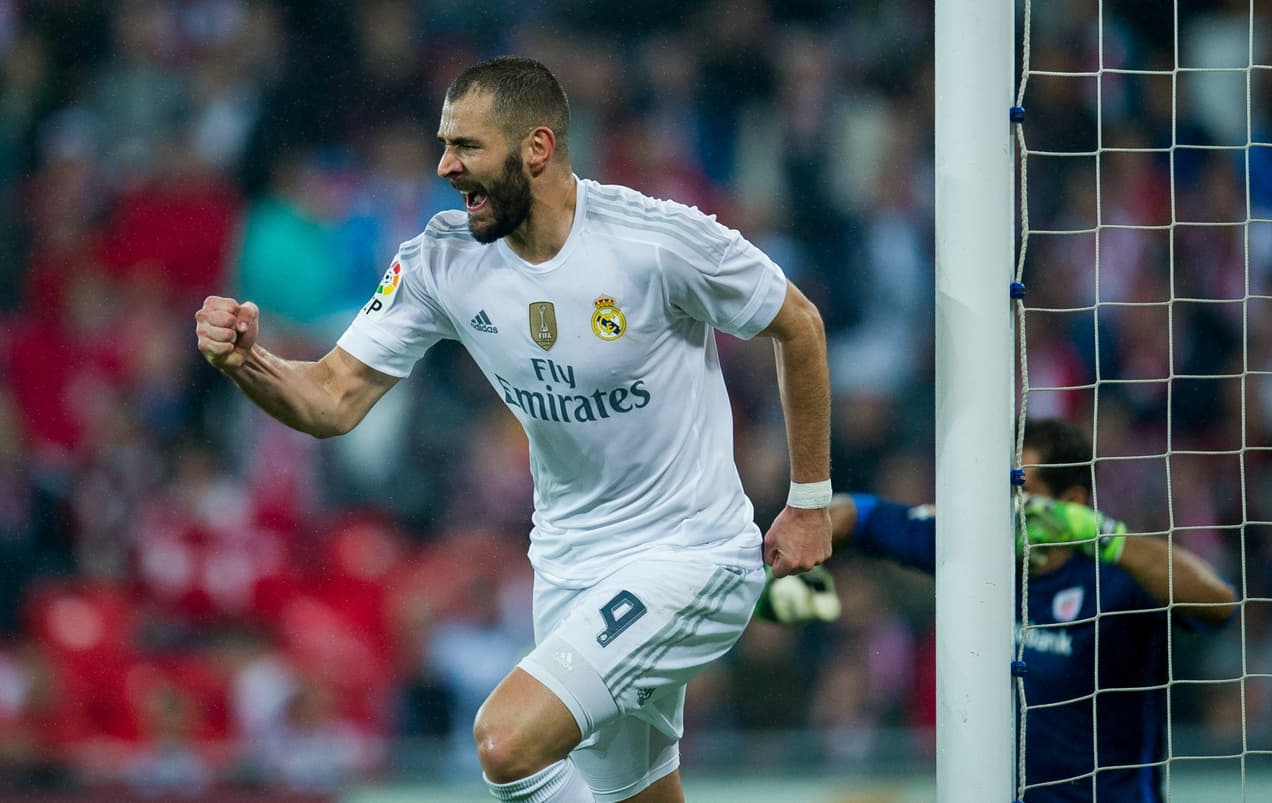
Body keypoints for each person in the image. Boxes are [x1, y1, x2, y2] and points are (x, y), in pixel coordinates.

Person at [194, 55, 832, 803]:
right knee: (638, 795)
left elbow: (800, 325)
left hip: (690, 555)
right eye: (442, 144)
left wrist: (810, 499)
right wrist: (247, 363)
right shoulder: (441, 260)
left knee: (507, 742)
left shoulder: (654, 241)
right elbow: (332, 399)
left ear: (536, 148)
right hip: (568, 570)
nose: (443, 166)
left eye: (465, 146)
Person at [758, 417, 1237, 803]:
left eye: (1022, 494)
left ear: (1073, 503)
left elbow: (1219, 604)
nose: (1009, 508)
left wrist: (1105, 536)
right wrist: (777, 555)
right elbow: (858, 515)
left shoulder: (1120, 580)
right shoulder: (979, 551)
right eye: (1002, 491)